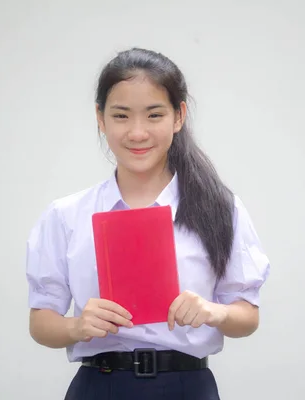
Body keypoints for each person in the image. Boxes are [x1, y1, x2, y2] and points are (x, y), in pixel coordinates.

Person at [25, 47, 271, 400]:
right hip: (100, 386)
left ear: (178, 116)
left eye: (154, 115)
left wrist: (211, 311)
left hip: (187, 387)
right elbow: (40, 323)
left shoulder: (219, 208)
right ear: (100, 118)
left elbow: (247, 317)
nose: (137, 133)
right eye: (121, 116)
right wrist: (77, 326)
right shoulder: (66, 215)